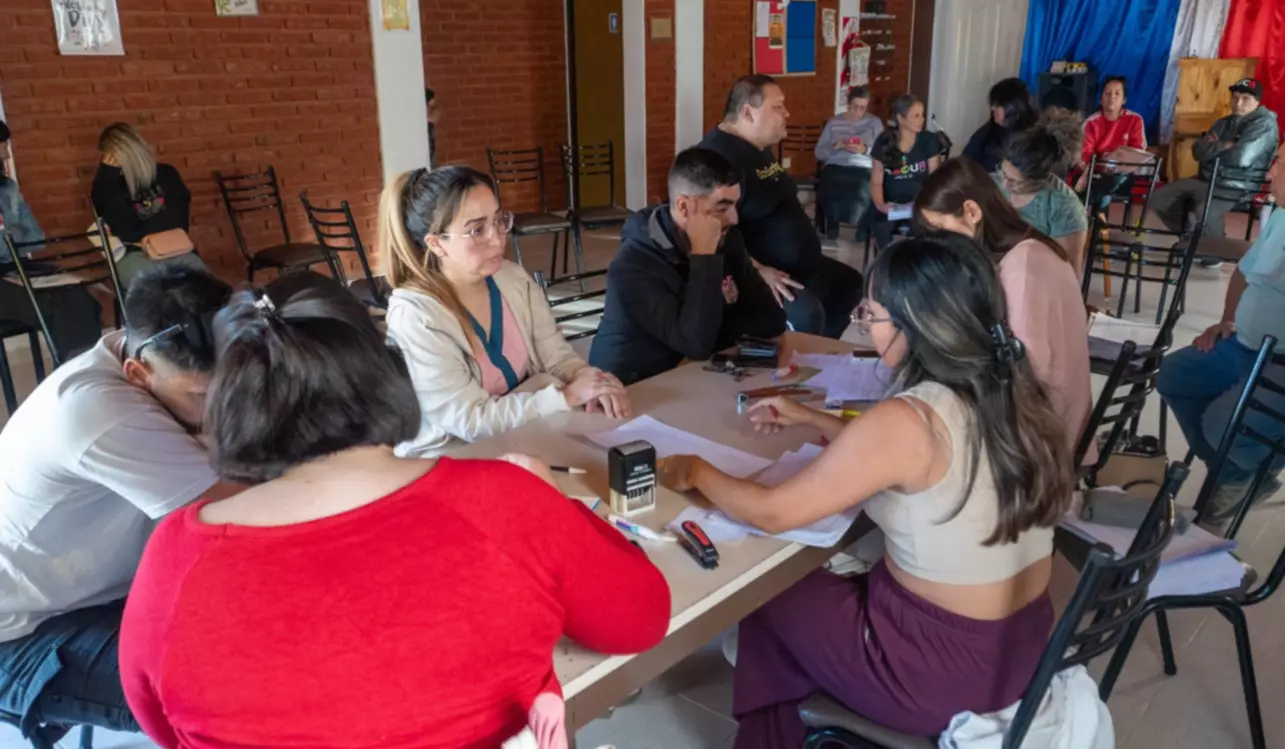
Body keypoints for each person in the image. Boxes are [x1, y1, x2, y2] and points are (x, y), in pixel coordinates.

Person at [118, 277, 671, 749]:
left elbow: (162, 724)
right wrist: (555, 505)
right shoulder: (504, 500)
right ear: (387, 375)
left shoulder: (175, 555)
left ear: (231, 403)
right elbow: (639, 619)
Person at [658, 232, 1071, 747]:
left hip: (937, 673)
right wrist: (813, 418)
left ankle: (778, 729)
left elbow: (772, 513)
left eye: (870, 316)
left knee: (766, 592)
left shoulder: (912, 419)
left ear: (913, 325)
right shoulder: (1012, 388)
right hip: (1021, 650)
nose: (866, 326)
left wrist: (696, 471)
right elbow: (920, 461)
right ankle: (792, 717)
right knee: (801, 609)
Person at [0, 265, 239, 743]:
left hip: (98, 587)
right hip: (26, 630)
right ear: (138, 373)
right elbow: (243, 517)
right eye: (201, 394)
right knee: (232, 693)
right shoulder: (97, 411)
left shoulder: (146, 358)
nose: (221, 407)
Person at [381, 165, 630, 456]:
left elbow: (556, 357)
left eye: (499, 221)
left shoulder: (512, 280)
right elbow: (470, 421)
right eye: (477, 230)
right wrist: (566, 395)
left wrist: (592, 380)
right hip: (453, 454)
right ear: (436, 244)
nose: (498, 239)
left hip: (520, 434)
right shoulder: (417, 317)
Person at [1157, 122, 1285, 523]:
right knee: (1173, 375)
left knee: (1221, 422)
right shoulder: (1284, 213)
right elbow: (1245, 272)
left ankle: (1238, 474)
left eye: (1280, 162)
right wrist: (1227, 320)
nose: (1271, 171)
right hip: (1244, 345)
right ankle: (1252, 466)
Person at [916, 156, 1094, 465]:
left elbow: (1029, 367)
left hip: (1042, 432)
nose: (941, 244)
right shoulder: (1026, 248)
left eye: (941, 230)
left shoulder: (1023, 263)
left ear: (972, 212)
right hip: (1041, 415)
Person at [589, 148, 786, 384]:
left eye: (735, 205)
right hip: (630, 385)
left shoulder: (727, 239)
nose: (734, 218)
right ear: (683, 206)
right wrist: (704, 255)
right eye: (722, 207)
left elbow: (772, 318)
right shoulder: (632, 266)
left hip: (690, 374)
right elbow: (697, 345)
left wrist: (709, 332)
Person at [700, 75, 863, 339]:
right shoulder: (717, 159)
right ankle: (795, 359)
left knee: (849, 284)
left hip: (797, 265)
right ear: (748, 113)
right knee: (807, 314)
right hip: (758, 272)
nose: (787, 113)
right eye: (778, 107)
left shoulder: (757, 146)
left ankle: (818, 355)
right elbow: (712, 232)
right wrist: (757, 271)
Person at [0, 119, 103, 361]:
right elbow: (17, 240)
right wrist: (13, 236)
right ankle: (78, 371)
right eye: (2, 146)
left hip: (17, 268)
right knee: (57, 303)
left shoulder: (7, 188)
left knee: (78, 293)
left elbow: (36, 238)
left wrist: (9, 238)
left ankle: (85, 368)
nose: (6, 154)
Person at [1147, 77, 1279, 246]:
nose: (1238, 103)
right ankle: (1189, 237)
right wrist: (1225, 145)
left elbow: (1240, 158)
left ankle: (1216, 252)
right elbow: (1198, 151)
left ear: (1257, 102)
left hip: (1238, 186)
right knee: (1159, 198)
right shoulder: (1223, 123)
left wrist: (1214, 150)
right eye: (1235, 97)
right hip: (1208, 179)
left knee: (1205, 211)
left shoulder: (1264, 124)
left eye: (1245, 99)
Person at [91, 123, 207, 288]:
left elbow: (179, 223)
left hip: (174, 248)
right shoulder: (109, 185)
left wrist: (143, 236)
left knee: (203, 284)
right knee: (149, 286)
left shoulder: (166, 174)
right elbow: (122, 230)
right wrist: (107, 178)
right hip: (135, 255)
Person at [995, 109, 1089, 275]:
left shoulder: (1065, 209)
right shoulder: (995, 183)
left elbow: (1069, 277)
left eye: (1014, 181)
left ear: (1039, 180)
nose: (1004, 183)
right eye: (1003, 172)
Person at [868, 94, 941, 250]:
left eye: (922, 115)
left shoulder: (928, 140)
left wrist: (921, 203)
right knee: (881, 227)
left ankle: (916, 261)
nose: (921, 120)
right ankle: (886, 259)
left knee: (924, 228)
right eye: (916, 116)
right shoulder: (884, 142)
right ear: (901, 119)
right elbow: (876, 181)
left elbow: (935, 180)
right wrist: (881, 204)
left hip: (919, 203)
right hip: (890, 203)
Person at [815, 86, 884, 242]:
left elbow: (883, 151)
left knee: (862, 187)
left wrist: (864, 149)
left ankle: (862, 227)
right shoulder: (834, 123)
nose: (858, 112)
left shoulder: (874, 123)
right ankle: (832, 224)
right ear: (848, 104)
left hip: (863, 165)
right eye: (855, 107)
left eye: (863, 108)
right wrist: (835, 147)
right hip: (836, 164)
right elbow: (818, 152)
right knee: (828, 184)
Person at [1077, 76, 1148, 209]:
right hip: (1096, 173)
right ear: (1101, 99)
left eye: (1117, 93)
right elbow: (1085, 153)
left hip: (1123, 175)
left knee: (1116, 178)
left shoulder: (1135, 120)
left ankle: (1079, 203)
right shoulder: (1092, 122)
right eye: (1108, 93)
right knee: (1103, 188)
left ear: (1124, 100)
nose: (1112, 97)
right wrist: (1102, 165)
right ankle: (1099, 218)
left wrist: (1116, 165)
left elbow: (1137, 151)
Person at [963, 77, 1038, 174]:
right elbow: (963, 163)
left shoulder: (1034, 136)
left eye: (997, 104)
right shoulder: (985, 133)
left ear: (1012, 107)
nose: (992, 108)